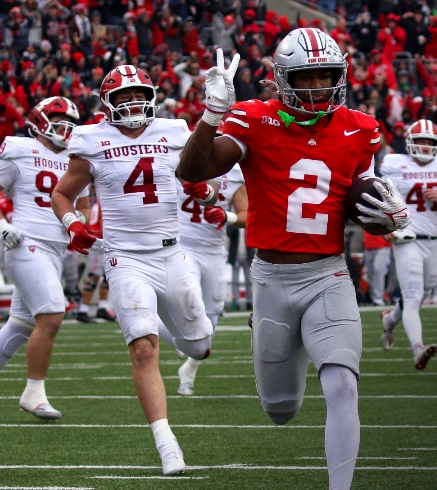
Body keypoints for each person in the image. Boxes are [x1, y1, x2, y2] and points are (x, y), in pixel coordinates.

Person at [176, 32, 411, 489]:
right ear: (284, 79)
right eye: (308, 76)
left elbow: (362, 193)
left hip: (329, 274)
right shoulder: (254, 119)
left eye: (327, 75)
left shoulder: (359, 128)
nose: (319, 85)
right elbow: (192, 171)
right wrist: (211, 116)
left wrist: (388, 214)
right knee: (280, 410)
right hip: (272, 279)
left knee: (343, 385)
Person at [51, 65, 216, 476]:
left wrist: (205, 189)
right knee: (143, 348)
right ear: (107, 103)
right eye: (122, 97)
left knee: (199, 346)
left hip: (172, 253)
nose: (131, 102)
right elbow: (62, 194)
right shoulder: (90, 138)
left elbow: (210, 182)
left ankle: (174, 329)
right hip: (124, 257)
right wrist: (73, 224)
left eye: (137, 93)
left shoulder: (176, 130)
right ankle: (167, 445)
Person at [0, 97, 90, 423]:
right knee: (52, 315)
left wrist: (80, 227)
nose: (66, 129)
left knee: (21, 323)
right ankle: (34, 393)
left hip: (55, 249)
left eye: (70, 123)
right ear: (40, 122)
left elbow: (84, 206)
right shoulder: (21, 149)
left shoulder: (77, 158)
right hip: (25, 243)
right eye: (59, 121)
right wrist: (2, 225)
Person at [379, 119, 437, 368]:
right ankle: (418, 348)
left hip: (435, 240)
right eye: (419, 140)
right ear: (410, 142)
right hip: (406, 239)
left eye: (429, 142)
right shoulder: (395, 165)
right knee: (412, 297)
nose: (424, 146)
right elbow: (379, 200)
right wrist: (385, 226)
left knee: (424, 292)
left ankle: (390, 320)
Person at [175, 161, 248, 396]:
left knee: (212, 316)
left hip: (214, 250)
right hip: (182, 244)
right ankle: (181, 337)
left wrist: (228, 216)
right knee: (189, 295)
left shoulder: (235, 173)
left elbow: (247, 213)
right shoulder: (181, 163)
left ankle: (190, 370)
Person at [363, 230, 392, 306]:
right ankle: (374, 298)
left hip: (383, 244)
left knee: (378, 269)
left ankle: (378, 297)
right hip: (368, 244)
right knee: (370, 273)